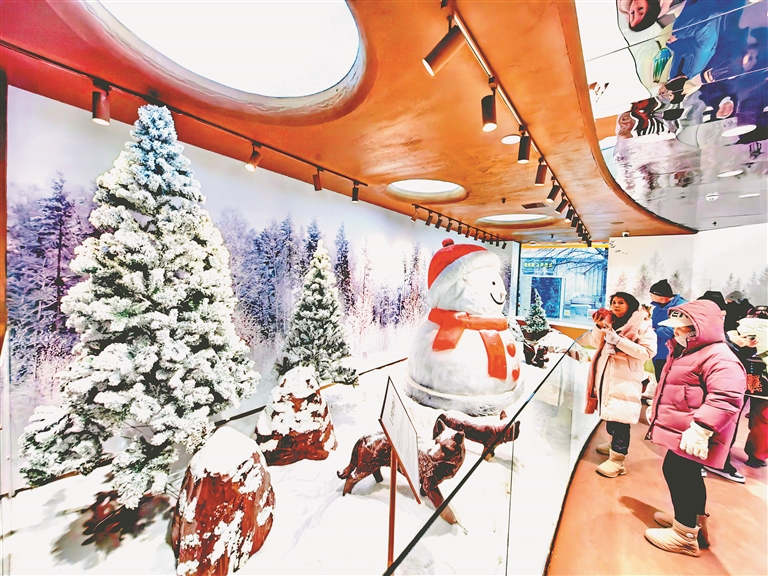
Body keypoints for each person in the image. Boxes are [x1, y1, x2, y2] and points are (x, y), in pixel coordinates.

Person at [645, 300, 745, 557]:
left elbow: (725, 398)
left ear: (698, 328)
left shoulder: (719, 357)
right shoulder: (687, 351)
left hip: (695, 430)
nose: (675, 332)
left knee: (677, 472)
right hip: (684, 427)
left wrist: (702, 428)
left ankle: (684, 535)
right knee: (687, 474)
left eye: (681, 328)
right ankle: (693, 524)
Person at [585, 292, 656, 477]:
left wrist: (618, 341)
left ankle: (618, 461)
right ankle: (613, 445)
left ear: (630, 304)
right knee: (611, 414)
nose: (616, 306)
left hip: (625, 378)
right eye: (613, 302)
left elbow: (647, 352)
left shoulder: (642, 325)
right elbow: (596, 343)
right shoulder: (611, 321)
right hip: (607, 375)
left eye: (621, 302)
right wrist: (599, 327)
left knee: (621, 419)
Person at [697, 291, 746, 483]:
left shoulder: (722, 328)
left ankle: (715, 460)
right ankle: (701, 461)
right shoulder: (699, 328)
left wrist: (742, 346)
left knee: (723, 423)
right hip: (703, 384)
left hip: (719, 383)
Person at [649, 279, 687, 381]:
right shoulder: (656, 308)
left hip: (674, 352)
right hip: (658, 352)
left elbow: (673, 330)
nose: (650, 296)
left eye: (652, 294)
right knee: (660, 381)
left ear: (660, 295)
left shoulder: (681, 307)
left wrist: (653, 331)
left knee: (671, 382)